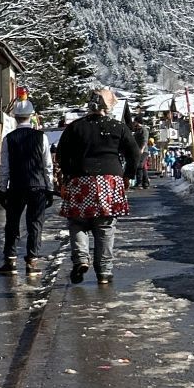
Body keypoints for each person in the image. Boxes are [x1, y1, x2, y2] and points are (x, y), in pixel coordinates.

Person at [56, 88, 141, 285]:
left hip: (80, 179)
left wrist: (68, 176)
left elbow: (62, 154)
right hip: (110, 181)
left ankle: (81, 259)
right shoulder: (118, 127)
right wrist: (128, 175)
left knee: (77, 222)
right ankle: (104, 271)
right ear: (109, 105)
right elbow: (134, 153)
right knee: (105, 226)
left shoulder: (75, 127)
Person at [0, 99, 55, 277]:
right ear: (31, 116)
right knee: (35, 223)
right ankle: (32, 261)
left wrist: (2, 188)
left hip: (16, 186)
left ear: (15, 117)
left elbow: (4, 166)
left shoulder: (9, 138)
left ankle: (10, 260)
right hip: (37, 186)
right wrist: (50, 188)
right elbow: (47, 165)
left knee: (12, 223)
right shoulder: (41, 137)